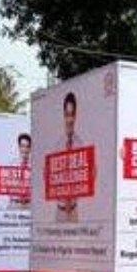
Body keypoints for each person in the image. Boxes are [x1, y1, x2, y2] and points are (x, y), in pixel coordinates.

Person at [54, 92, 84, 222]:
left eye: (72, 115)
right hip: (60, 211)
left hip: (74, 210)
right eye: (67, 115)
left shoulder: (80, 145)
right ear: (63, 116)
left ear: (76, 116)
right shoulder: (58, 145)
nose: (70, 120)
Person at [7, 132, 33, 208]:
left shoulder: (34, 167)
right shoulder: (11, 165)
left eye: (27, 146)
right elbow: (6, 183)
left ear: (30, 148)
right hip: (14, 204)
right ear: (19, 147)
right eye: (22, 146)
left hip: (28, 204)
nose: (25, 149)